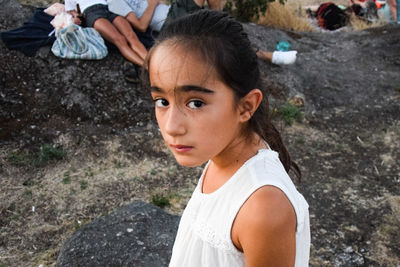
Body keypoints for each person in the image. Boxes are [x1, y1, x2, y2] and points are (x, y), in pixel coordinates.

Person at [144, 10, 310, 266]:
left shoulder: (263, 208)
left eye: (196, 103)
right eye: (162, 101)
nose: (171, 126)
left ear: (246, 107)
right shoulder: (222, 155)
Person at [108, 0, 298, 65]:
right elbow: (141, 27)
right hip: (169, 27)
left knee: (218, 37)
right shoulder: (115, 3)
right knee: (219, 37)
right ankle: (222, 24)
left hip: (176, 14)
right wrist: (152, 3)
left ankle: (221, 24)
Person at [65, 0, 148, 66]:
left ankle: (151, 63)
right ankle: (146, 67)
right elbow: (71, 10)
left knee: (132, 36)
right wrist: (76, 16)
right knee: (120, 40)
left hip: (110, 8)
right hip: (91, 12)